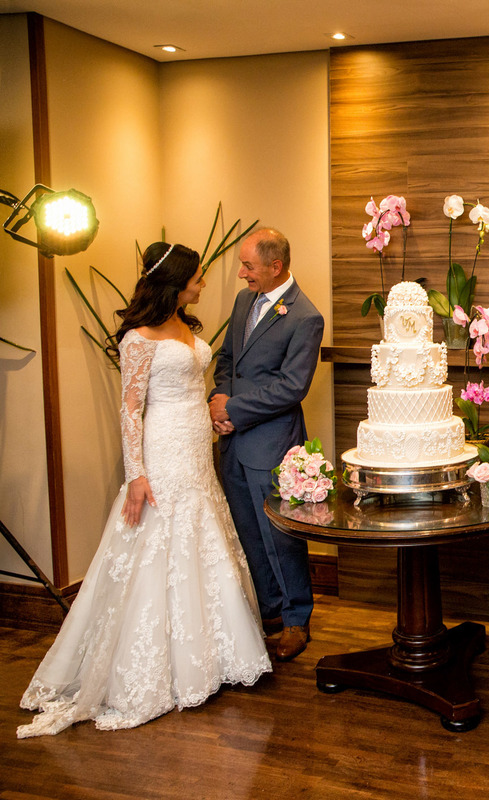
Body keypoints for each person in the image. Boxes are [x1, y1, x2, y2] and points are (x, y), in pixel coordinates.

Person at [17, 243, 271, 739]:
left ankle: (210, 656)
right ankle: (155, 668)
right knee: (159, 539)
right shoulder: (138, 338)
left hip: (196, 443)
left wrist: (213, 417)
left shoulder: (186, 328)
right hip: (162, 449)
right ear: (176, 282)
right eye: (197, 278)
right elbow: (130, 408)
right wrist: (137, 475)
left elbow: (193, 388)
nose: (202, 285)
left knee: (200, 534)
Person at [208, 228, 324, 661]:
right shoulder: (243, 303)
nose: (241, 274)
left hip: (272, 445)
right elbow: (225, 362)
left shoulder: (305, 317)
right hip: (233, 444)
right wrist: (219, 404)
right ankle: (270, 611)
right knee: (249, 533)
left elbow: (292, 387)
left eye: (248, 266)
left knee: (281, 536)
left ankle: (297, 620)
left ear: (276, 267)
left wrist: (233, 409)